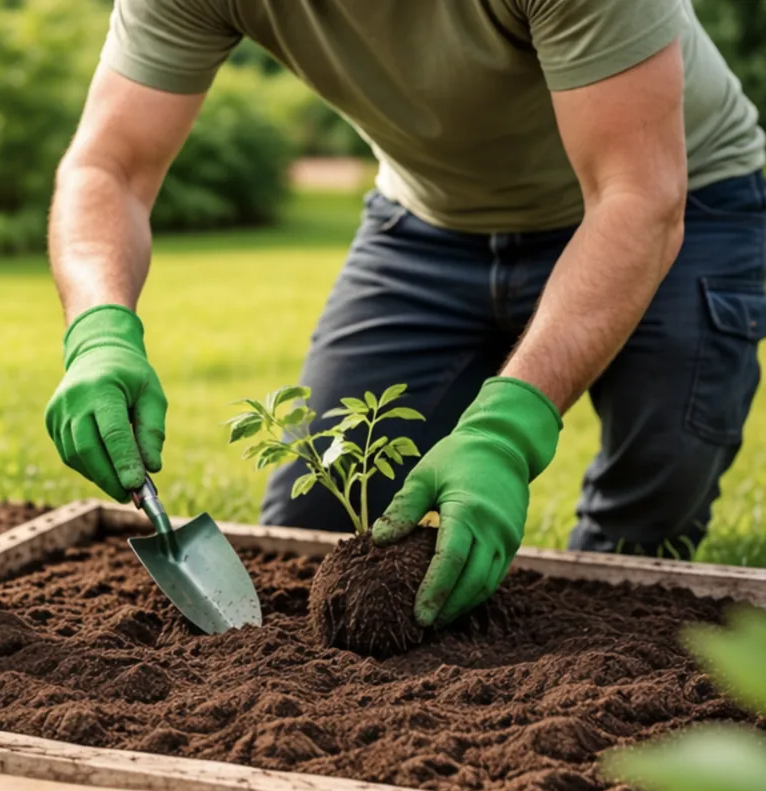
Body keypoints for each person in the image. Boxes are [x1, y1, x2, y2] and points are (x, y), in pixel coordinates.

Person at [45, 0, 766, 629]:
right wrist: (99, 329)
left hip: (683, 202)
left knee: (639, 544)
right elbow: (108, 166)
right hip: (429, 223)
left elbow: (638, 196)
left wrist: (507, 432)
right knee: (316, 535)